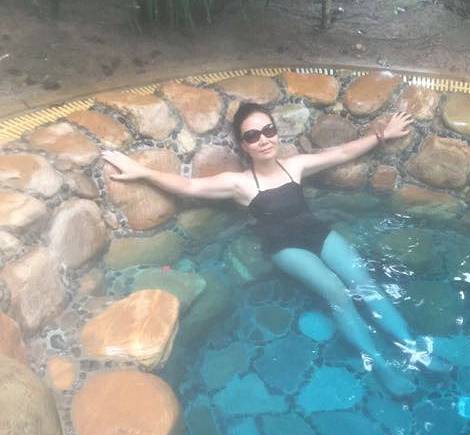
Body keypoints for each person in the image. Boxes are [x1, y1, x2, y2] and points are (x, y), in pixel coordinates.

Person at [103, 102, 437, 397]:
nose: (263, 139)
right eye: (252, 136)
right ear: (243, 145)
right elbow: (189, 185)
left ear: (276, 132)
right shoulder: (239, 183)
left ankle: (414, 350)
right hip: (284, 247)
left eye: (268, 130)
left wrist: (382, 135)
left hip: (316, 232)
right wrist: (142, 171)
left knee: (364, 282)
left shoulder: (294, 165)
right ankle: (382, 367)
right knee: (337, 292)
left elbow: (340, 153)